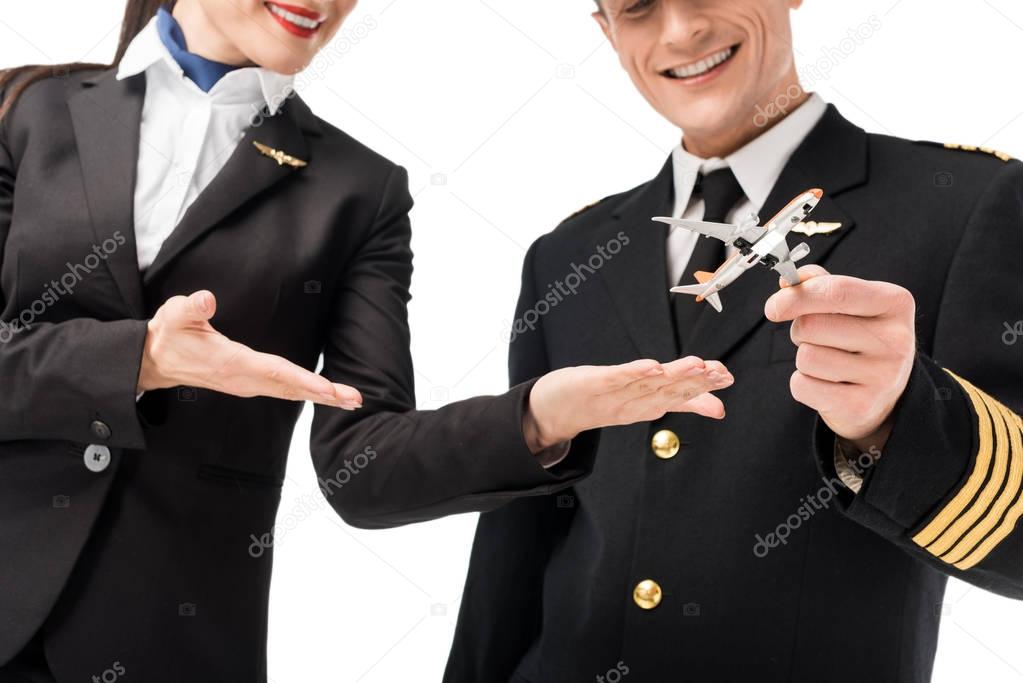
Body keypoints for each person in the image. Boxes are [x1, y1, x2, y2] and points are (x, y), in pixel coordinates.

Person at [0, 1, 735, 680]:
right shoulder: (24, 111)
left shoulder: (358, 190)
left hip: (166, 643)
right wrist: (142, 361)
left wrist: (538, 416)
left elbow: (364, 465)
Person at [446, 1, 1023, 681]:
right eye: (635, 6)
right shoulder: (566, 253)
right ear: (604, 30)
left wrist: (893, 422)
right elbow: (512, 550)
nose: (680, 30)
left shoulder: (964, 203)